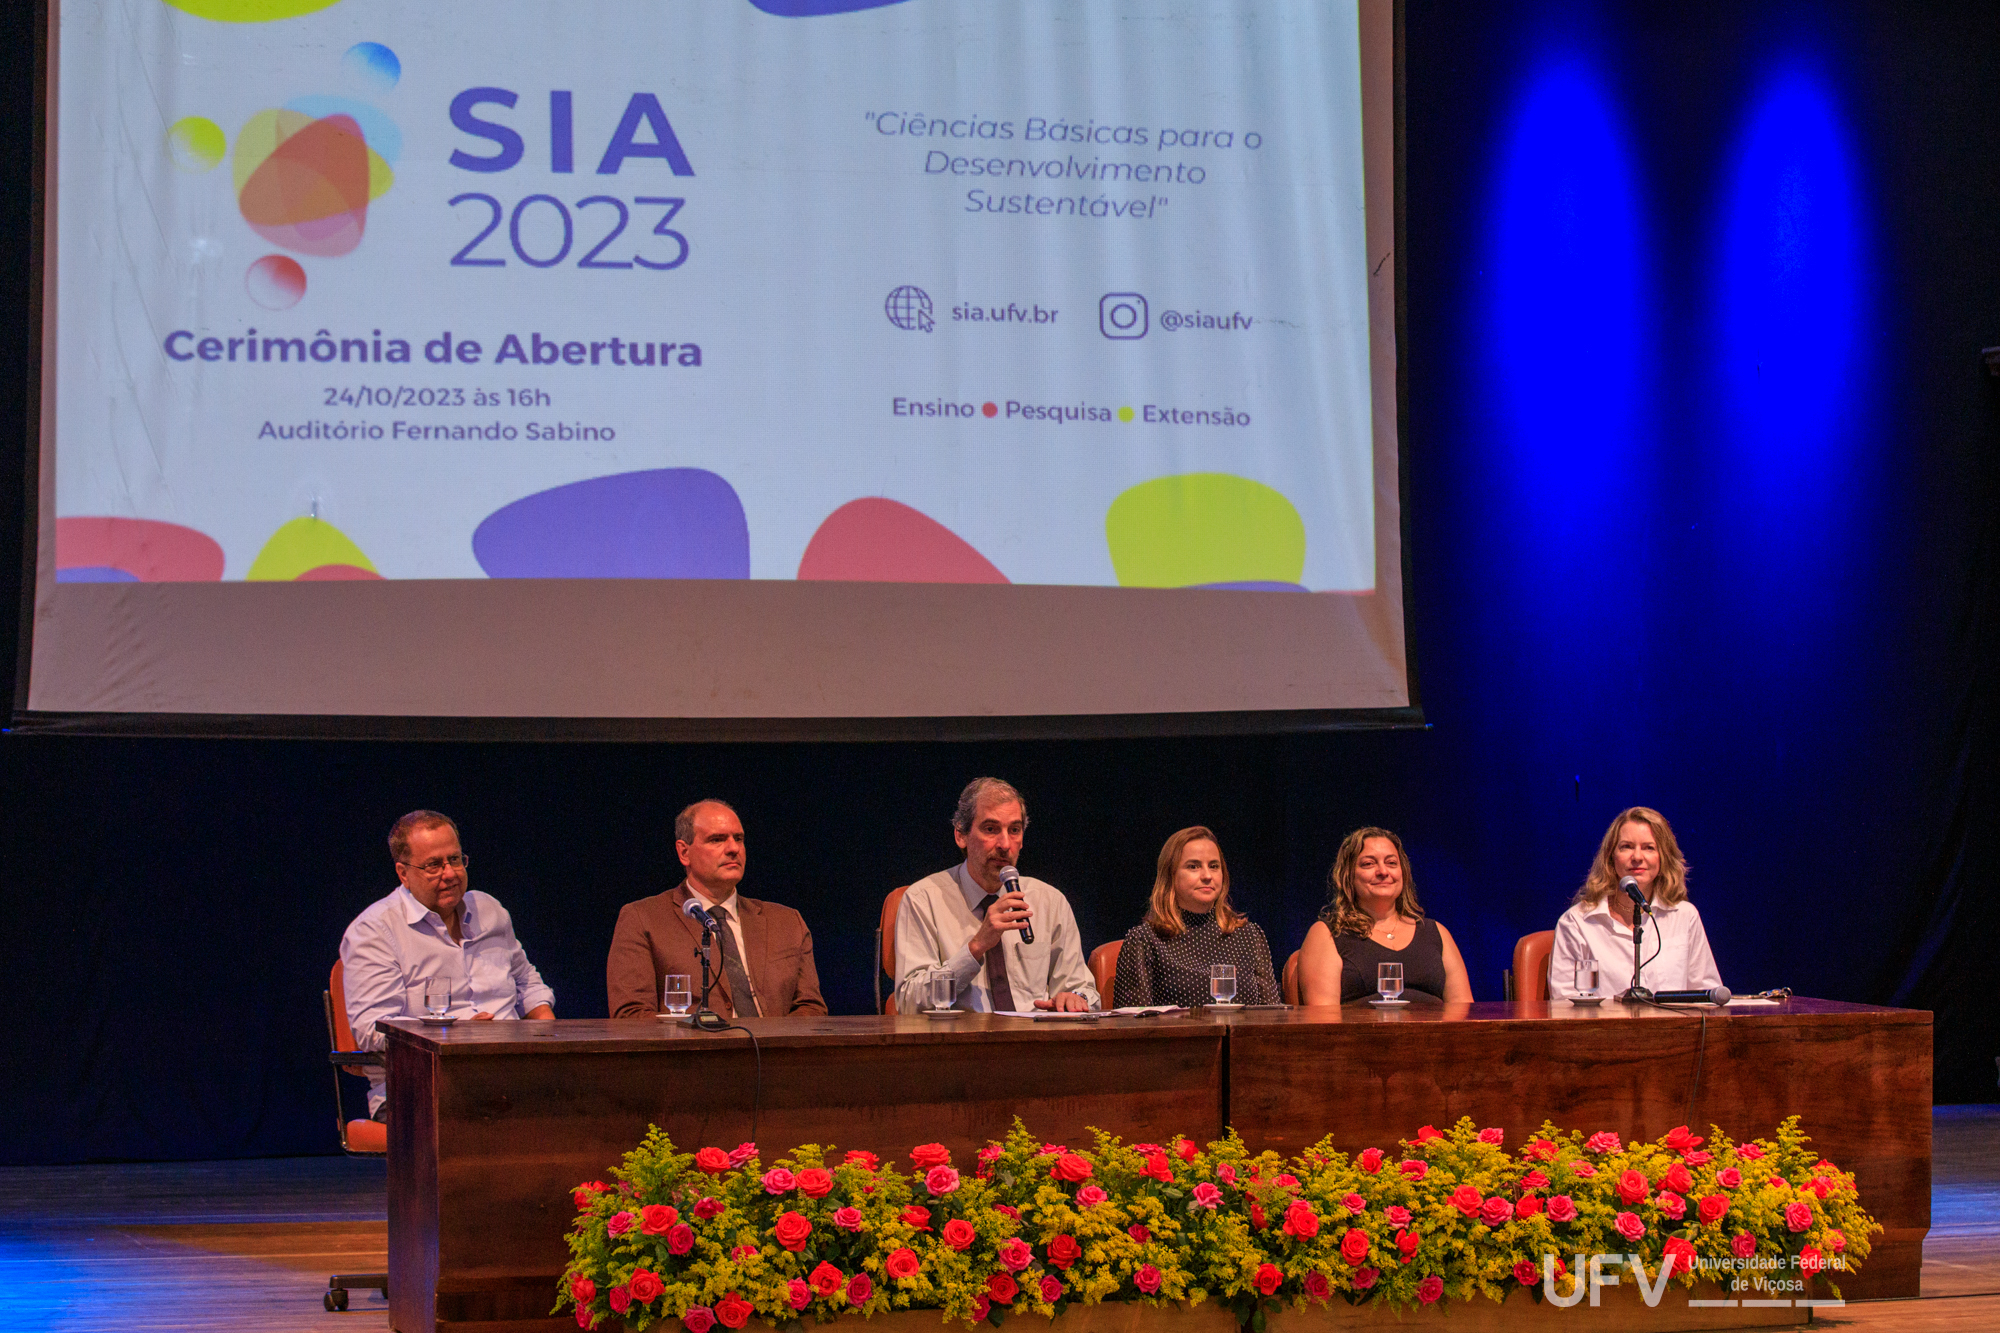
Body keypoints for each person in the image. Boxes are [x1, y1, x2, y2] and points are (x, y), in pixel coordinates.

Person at [340, 811, 555, 1120]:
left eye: (455, 859)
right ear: (403, 873)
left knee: (585, 1105)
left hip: (513, 1075)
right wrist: (456, 1039)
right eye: (434, 865)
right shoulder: (375, 931)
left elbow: (528, 983)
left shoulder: (490, 910)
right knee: (498, 1121)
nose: (450, 873)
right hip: (420, 1089)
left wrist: (547, 1039)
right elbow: (375, 1031)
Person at [606, 799, 826, 1020]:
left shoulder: (787, 921)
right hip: (692, 1053)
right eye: (717, 840)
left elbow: (811, 1008)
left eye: (738, 839)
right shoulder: (643, 919)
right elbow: (631, 1016)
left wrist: (771, 1047)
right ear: (684, 852)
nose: (733, 849)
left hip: (772, 1053)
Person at [893, 777, 1099, 1013]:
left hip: (1034, 1042)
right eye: (991, 829)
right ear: (961, 835)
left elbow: (1084, 990)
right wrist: (975, 947)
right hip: (962, 1043)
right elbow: (908, 1003)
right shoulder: (923, 899)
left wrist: (1075, 998)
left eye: (1014, 830)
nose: (1004, 843)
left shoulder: (1049, 901)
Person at [1550, 806, 1721, 1001]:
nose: (1637, 857)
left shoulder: (1684, 915)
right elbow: (1563, 1003)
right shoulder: (1577, 922)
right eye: (1627, 847)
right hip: (1604, 1030)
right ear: (1610, 857)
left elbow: (1707, 995)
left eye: (1649, 847)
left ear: (1663, 857)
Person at [1298, 826, 1472, 1005]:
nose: (1383, 871)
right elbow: (1323, 1022)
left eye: (1391, 863)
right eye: (1368, 864)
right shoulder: (1328, 934)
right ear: (1348, 875)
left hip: (1437, 1033)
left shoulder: (1436, 932)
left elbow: (1464, 1009)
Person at [1113, 826, 1281, 1007]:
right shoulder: (1145, 940)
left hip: (1244, 1035)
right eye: (1193, 866)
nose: (1207, 875)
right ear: (1171, 875)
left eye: (1214, 866)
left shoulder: (1249, 935)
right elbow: (1133, 1024)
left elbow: (1272, 1015)